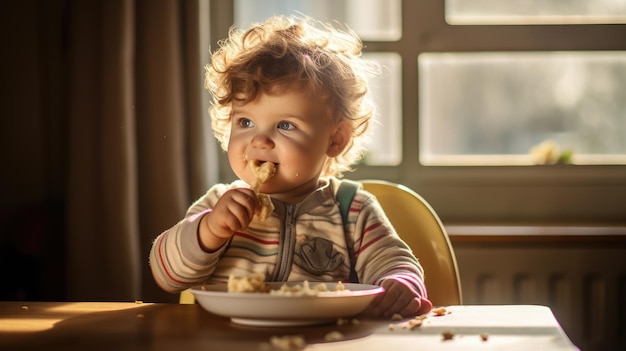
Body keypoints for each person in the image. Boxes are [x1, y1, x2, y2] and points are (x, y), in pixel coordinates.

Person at [149, 15, 432, 318]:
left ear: (335, 141)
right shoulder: (219, 205)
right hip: (226, 339)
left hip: (325, 338)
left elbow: (393, 261)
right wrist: (208, 231)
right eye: (245, 122)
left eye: (285, 125)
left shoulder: (352, 210)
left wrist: (400, 283)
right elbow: (167, 275)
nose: (259, 140)